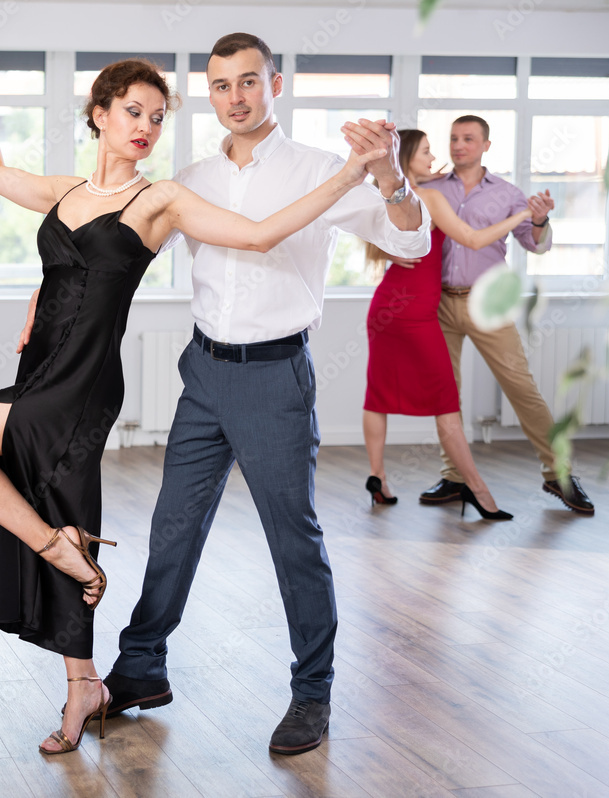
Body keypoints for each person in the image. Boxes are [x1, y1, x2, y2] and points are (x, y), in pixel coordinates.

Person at [0, 43, 389, 757]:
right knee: (100, 515)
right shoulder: (69, 191)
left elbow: (259, 236)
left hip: (99, 383)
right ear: (98, 114)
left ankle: (66, 556)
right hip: (65, 369)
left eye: (158, 117)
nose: (145, 126)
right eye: (133, 112)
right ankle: (96, 679)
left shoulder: (160, 197)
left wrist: (353, 172)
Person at [96, 33, 429, 757]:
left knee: (293, 542)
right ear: (210, 94)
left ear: (275, 84)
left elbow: (410, 244)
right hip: (204, 373)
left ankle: (312, 693)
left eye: (249, 82)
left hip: (276, 377)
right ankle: (141, 667)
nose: (236, 98)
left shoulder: (320, 170)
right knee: (172, 530)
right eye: (221, 86)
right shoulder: (188, 177)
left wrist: (390, 176)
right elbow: (113, 256)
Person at [415, 115, 594, 515]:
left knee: (522, 389)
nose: (459, 145)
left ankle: (558, 475)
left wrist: (541, 218)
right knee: (445, 394)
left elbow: (537, 245)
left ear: (486, 145)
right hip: (439, 303)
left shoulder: (509, 195)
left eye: (469, 139)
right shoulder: (430, 188)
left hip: (488, 303)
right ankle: (455, 477)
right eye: (454, 138)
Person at [362, 129, 530, 520]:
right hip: (417, 313)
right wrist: (520, 215)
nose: (434, 155)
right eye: (425, 151)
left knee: (378, 393)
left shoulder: (385, 196)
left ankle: (378, 479)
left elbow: (371, 239)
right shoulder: (431, 197)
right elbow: (472, 239)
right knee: (446, 402)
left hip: (387, 306)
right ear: (406, 157)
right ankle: (478, 490)